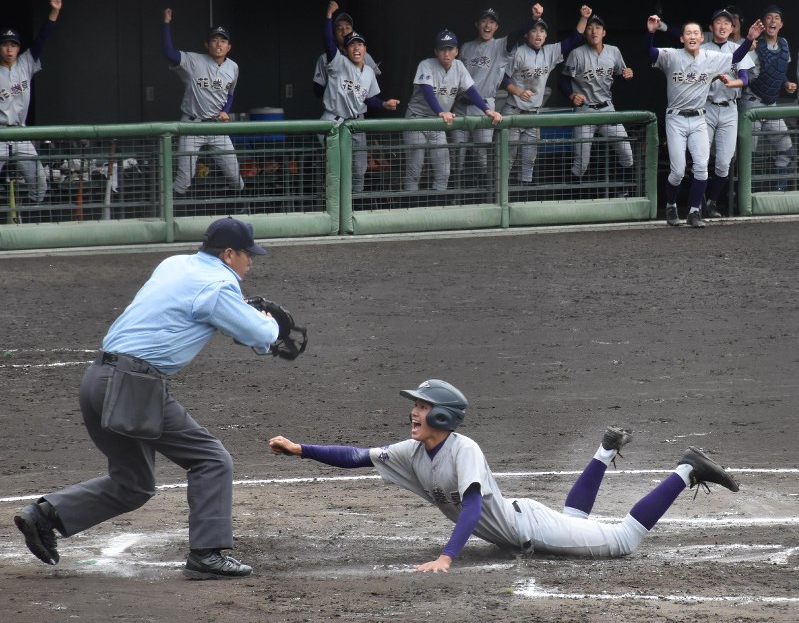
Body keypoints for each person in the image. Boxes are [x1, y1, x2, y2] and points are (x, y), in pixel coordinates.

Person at [14, 217, 279, 580]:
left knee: (133, 483)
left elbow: (189, 309)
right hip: (133, 385)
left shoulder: (174, 263)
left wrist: (240, 310)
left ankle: (45, 515)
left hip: (97, 379)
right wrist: (266, 320)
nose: (251, 262)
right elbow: (259, 334)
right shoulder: (218, 286)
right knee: (211, 459)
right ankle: (208, 554)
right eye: (249, 255)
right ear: (229, 254)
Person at [269, 379, 740, 571]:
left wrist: (448, 556)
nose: (413, 412)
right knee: (572, 519)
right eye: (415, 405)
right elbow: (356, 455)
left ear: (445, 418)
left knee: (622, 542)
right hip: (524, 521)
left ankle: (686, 468)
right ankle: (604, 450)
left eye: (422, 407)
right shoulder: (412, 451)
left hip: (526, 525)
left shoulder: (464, 449)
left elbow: (471, 506)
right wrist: (300, 450)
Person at [646, 14, 763, 227]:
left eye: (696, 33)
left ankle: (693, 212)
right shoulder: (672, 55)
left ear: (701, 38)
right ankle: (671, 205)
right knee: (678, 171)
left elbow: (735, 58)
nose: (692, 36)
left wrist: (749, 39)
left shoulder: (710, 57)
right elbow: (650, 52)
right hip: (676, 118)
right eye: (688, 33)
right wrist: (651, 33)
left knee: (702, 167)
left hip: (700, 117)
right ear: (682, 38)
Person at [450, 4, 543, 186]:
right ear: (477, 24)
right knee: (456, 154)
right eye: (484, 20)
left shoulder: (500, 46)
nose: (487, 24)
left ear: (497, 27)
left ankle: (486, 198)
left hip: (483, 106)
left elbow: (517, 33)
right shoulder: (466, 48)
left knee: (482, 155)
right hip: (460, 106)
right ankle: (455, 198)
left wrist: (533, 19)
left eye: (492, 22)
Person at [502, 4, 592, 185]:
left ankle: (522, 204)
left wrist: (584, 18)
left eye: (542, 31)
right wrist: (518, 92)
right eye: (534, 30)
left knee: (529, 160)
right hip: (513, 112)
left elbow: (574, 39)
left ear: (546, 35)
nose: (538, 34)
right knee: (507, 159)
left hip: (533, 115)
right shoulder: (518, 52)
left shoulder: (549, 52)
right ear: (527, 34)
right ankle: (501, 201)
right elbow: (503, 79)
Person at [403, 30, 502, 192]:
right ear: (436, 51)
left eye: (450, 49)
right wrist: (440, 112)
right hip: (417, 120)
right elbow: (427, 90)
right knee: (415, 170)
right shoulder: (426, 64)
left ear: (457, 51)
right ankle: (411, 212)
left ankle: (437, 212)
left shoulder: (459, 66)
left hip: (438, 123)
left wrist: (486, 110)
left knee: (444, 171)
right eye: (442, 49)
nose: (446, 54)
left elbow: (471, 90)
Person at [162, 8, 245, 197]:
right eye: (215, 40)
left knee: (234, 175)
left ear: (229, 47)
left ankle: (239, 211)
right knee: (184, 179)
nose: (219, 44)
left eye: (223, 41)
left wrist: (226, 110)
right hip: (192, 125)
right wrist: (166, 23)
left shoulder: (233, 67)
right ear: (206, 44)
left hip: (217, 127)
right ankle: (172, 218)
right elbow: (169, 52)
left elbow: (230, 94)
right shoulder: (194, 61)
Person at [320, 1, 400, 194]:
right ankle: (334, 214)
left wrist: (383, 104)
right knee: (336, 171)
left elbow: (367, 99)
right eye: (352, 45)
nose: (356, 48)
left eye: (360, 44)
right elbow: (328, 42)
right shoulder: (338, 63)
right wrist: (329, 16)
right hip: (334, 121)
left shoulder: (369, 73)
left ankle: (354, 211)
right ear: (346, 50)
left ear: (365, 49)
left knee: (358, 170)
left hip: (356, 124)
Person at [559, 14, 634, 184]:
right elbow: (562, 79)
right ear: (585, 33)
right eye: (590, 28)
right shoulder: (577, 54)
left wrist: (627, 75)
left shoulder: (613, 51)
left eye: (598, 28)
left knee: (627, 154)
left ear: (604, 32)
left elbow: (620, 74)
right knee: (581, 164)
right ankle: (569, 201)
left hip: (607, 110)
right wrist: (571, 95)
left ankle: (623, 193)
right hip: (585, 112)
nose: (594, 31)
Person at [0, 0, 62, 203]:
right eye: (5, 45)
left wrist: (54, 13)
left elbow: (42, 39)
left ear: (18, 48)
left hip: (21, 134)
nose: (9, 49)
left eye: (13, 45)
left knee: (39, 184)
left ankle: (26, 226)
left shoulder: (26, 63)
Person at [701, 9, 756, 217]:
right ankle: (697, 202)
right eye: (718, 22)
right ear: (711, 27)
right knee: (701, 159)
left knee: (724, 162)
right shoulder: (702, 49)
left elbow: (745, 78)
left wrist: (732, 83)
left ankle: (713, 202)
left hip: (729, 108)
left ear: (732, 28)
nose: (723, 26)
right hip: (706, 107)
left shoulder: (738, 49)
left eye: (727, 23)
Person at [739, 5, 797, 192]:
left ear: (781, 23)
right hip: (752, 103)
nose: (773, 21)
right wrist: (748, 47)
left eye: (776, 18)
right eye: (769, 17)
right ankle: (740, 195)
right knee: (747, 156)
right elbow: (741, 72)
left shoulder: (785, 44)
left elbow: (778, 72)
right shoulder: (755, 45)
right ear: (763, 23)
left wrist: (786, 83)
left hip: (771, 106)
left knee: (788, 152)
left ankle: (776, 191)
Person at [313, 6, 381, 100]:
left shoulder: (364, 56)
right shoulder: (324, 58)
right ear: (334, 34)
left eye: (347, 28)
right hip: (335, 112)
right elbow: (318, 91)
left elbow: (374, 85)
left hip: (358, 112)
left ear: (352, 31)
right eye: (339, 29)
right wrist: (335, 83)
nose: (344, 31)